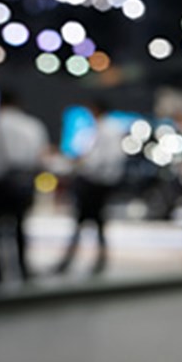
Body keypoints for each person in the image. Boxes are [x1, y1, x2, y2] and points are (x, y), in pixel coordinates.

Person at [0, 90, 48, 287]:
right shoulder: (32, 126)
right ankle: (23, 269)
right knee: (20, 227)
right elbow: (40, 156)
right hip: (23, 182)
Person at [54, 100, 125, 276]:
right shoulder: (109, 128)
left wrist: (82, 164)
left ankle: (73, 261)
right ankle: (92, 261)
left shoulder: (105, 129)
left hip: (95, 182)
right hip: (99, 182)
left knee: (86, 221)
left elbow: (103, 159)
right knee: (94, 223)